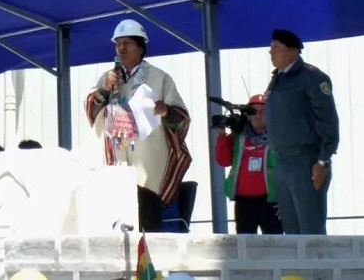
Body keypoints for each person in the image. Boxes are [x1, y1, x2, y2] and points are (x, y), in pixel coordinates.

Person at [84, 19, 191, 232]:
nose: (121, 48)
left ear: (141, 47)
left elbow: (181, 117)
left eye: (127, 43)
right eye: (118, 44)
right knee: (118, 225)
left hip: (148, 166)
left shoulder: (159, 78)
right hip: (116, 161)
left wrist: (166, 110)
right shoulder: (108, 78)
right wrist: (104, 90)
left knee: (148, 227)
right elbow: (93, 111)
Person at [264, 29, 339, 235]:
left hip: (306, 161)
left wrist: (323, 161)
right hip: (282, 162)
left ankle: (317, 261)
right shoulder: (277, 79)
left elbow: (328, 120)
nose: (271, 52)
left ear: (293, 51)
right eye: (270, 48)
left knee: (310, 229)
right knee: (291, 232)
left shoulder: (312, 77)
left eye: (276, 47)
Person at [214, 94, 282, 234]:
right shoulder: (238, 137)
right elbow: (223, 161)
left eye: (262, 112)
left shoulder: (278, 137)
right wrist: (221, 135)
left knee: (274, 243)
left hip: (271, 201)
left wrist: (286, 201)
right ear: (248, 116)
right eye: (253, 112)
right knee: (244, 243)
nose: (257, 116)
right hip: (243, 201)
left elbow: (288, 170)